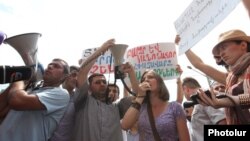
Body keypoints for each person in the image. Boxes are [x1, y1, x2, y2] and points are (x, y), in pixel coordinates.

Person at [71, 39, 138, 141]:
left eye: (104, 82)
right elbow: (82, 72)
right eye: (97, 82)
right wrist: (100, 50)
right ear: (89, 87)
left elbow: (139, 96)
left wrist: (131, 73)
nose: (102, 84)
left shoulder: (117, 107)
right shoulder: (83, 102)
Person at [0, 58, 70, 141]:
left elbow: (16, 101)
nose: (50, 66)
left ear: (64, 76)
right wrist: (15, 83)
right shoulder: (29, 90)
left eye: (56, 66)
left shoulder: (61, 94)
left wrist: (19, 80)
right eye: (49, 64)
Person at [196, 29, 250, 124]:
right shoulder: (231, 77)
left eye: (224, 47)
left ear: (243, 45)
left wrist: (224, 101)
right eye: (219, 51)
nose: (221, 54)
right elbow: (198, 64)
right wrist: (218, 96)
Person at [121, 69, 190, 141]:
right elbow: (125, 125)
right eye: (143, 79)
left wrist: (178, 79)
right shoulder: (140, 107)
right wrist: (140, 96)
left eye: (150, 77)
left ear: (160, 83)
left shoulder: (175, 107)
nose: (146, 80)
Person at [181, 77, 226, 141]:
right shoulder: (198, 99)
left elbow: (222, 122)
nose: (184, 95)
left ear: (186, 89)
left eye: (183, 92)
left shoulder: (204, 96)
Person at [49, 65, 80, 141]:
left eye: (79, 77)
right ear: (65, 76)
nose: (76, 79)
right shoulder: (50, 94)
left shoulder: (78, 99)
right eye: (73, 75)